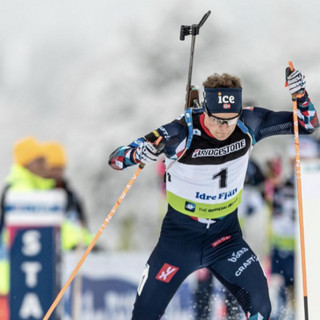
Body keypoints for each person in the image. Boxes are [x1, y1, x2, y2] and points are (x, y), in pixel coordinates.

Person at [108, 68, 318, 320]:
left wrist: (300, 93)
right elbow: (116, 160)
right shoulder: (180, 132)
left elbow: (307, 125)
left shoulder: (249, 123)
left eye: (230, 120)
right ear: (204, 110)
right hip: (180, 239)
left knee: (262, 309)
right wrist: (137, 153)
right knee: (144, 315)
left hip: (225, 238)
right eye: (217, 119)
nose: (224, 128)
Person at [0, 136, 55, 320]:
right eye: (39, 160)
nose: (45, 165)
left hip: (20, 275)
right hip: (13, 274)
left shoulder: (34, 187)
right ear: (26, 164)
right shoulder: (22, 190)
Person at [43, 141, 94, 251]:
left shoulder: (72, 196)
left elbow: (83, 225)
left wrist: (89, 246)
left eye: (60, 168)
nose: (57, 173)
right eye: (53, 168)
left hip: (76, 253)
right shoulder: (39, 195)